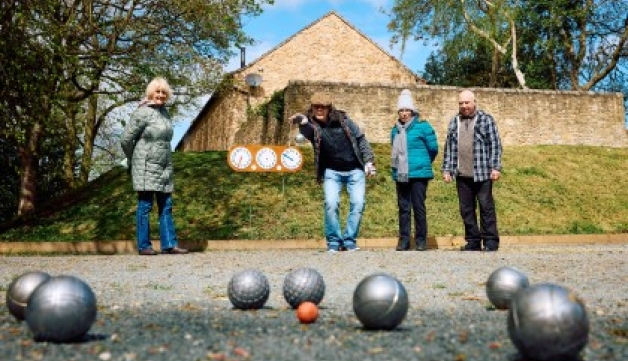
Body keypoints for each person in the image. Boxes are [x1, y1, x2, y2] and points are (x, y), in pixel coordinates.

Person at [290, 92, 376, 253]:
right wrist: (302, 122)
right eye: (316, 107)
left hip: (355, 170)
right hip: (332, 172)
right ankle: (334, 242)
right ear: (312, 108)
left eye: (323, 107)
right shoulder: (312, 125)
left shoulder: (344, 121)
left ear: (329, 109)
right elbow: (308, 131)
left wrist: (369, 161)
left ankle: (349, 241)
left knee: (358, 204)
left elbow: (361, 139)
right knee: (331, 204)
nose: (319, 110)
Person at [121, 77, 188, 255]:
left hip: (164, 165)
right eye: (157, 92)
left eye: (163, 92)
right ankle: (144, 246)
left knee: (166, 205)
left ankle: (169, 244)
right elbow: (126, 139)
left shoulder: (165, 114)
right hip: (145, 164)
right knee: (145, 205)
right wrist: (133, 158)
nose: (160, 95)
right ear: (150, 93)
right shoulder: (142, 112)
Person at [442, 90, 503, 252]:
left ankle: (490, 241)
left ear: (474, 102)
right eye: (461, 103)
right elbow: (449, 147)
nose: (464, 106)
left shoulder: (486, 120)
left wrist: (496, 167)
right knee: (466, 210)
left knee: (486, 207)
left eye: (467, 103)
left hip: (483, 173)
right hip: (462, 174)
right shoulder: (454, 121)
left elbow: (495, 144)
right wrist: (447, 169)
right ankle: (473, 241)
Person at [391, 89, 439, 251]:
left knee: (418, 206)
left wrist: (424, 162)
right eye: (401, 110)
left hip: (419, 173)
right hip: (402, 173)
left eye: (407, 110)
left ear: (412, 111)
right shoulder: (395, 130)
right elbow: (394, 152)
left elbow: (433, 148)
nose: (404, 113)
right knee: (404, 208)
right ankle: (404, 240)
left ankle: (420, 240)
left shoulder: (423, 127)